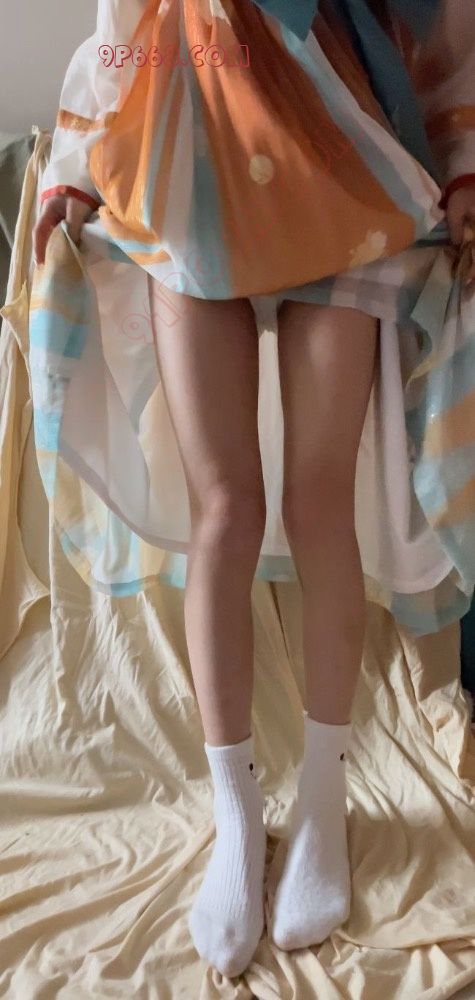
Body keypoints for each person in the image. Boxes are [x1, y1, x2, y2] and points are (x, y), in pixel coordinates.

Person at [32, 0, 475, 980]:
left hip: (341, 167)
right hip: (186, 167)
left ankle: (322, 794)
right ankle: (234, 811)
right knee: (224, 508)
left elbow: (439, 25)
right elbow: (123, 21)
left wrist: (459, 160)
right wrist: (72, 167)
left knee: (318, 500)